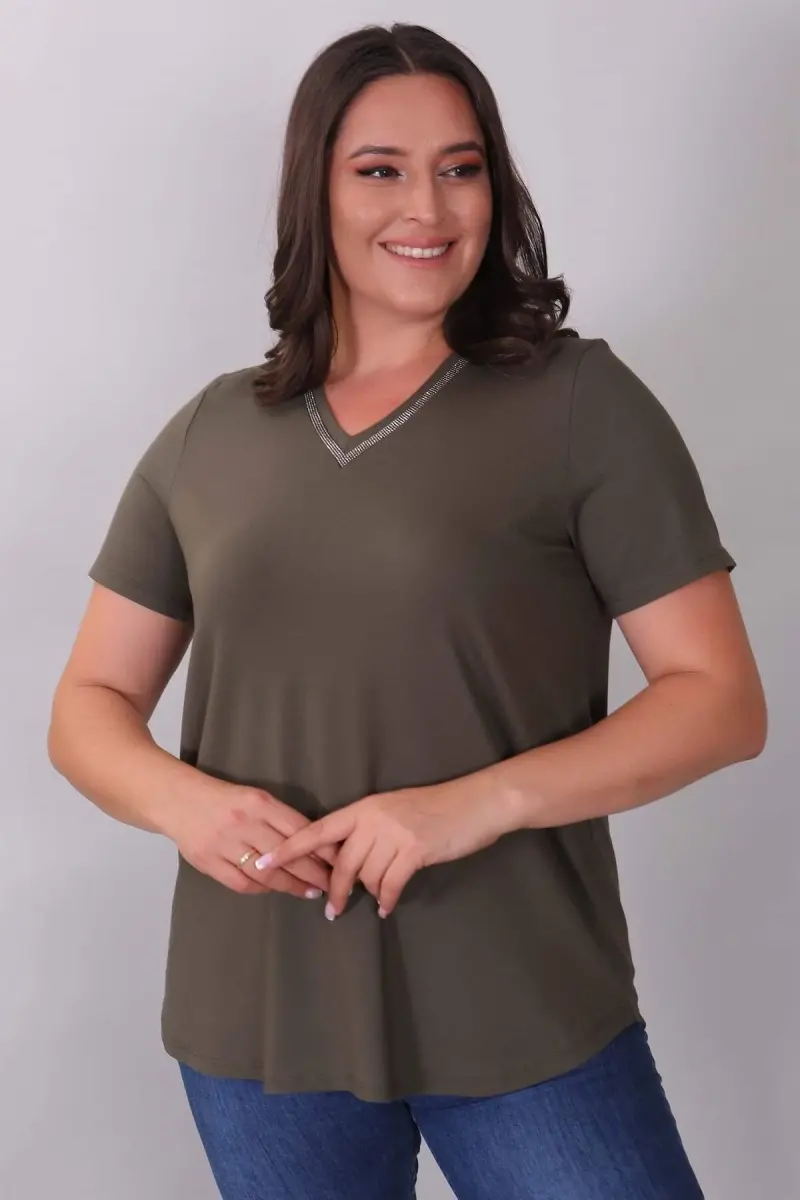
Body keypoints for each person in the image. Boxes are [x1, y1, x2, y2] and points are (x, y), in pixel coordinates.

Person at [48, 21, 767, 1200]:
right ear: (316, 191)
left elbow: (719, 702)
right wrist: (187, 806)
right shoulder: (211, 431)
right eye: (378, 169)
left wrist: (469, 806)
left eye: (459, 167)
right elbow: (89, 699)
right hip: (258, 1023)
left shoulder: (579, 403)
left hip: (522, 1009)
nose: (424, 206)